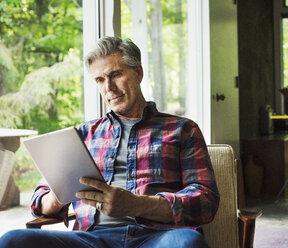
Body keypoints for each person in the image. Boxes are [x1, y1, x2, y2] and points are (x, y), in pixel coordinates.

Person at [0, 36, 219, 248]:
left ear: (138, 73)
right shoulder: (82, 135)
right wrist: (59, 195)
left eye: (116, 75)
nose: (109, 88)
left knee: (187, 244)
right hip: (92, 239)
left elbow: (206, 201)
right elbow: (39, 202)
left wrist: (137, 204)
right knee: (12, 241)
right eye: (100, 80)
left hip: (158, 238)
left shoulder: (182, 130)